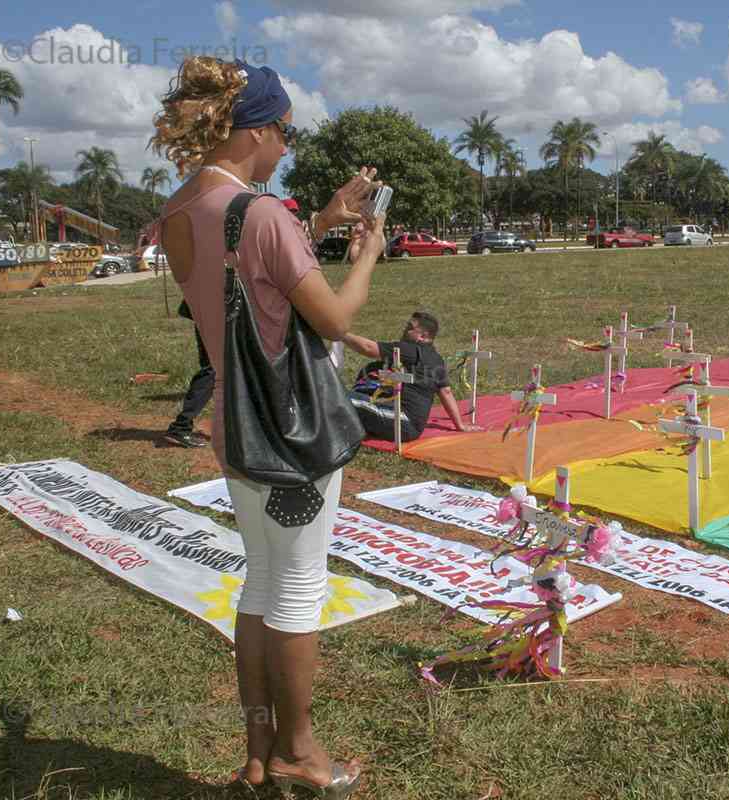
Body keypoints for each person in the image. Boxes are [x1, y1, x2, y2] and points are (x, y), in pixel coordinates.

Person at [150, 56, 386, 797]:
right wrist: (367, 254)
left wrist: (314, 224)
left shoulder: (184, 205)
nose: (286, 147)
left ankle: (258, 752)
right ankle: (299, 753)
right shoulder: (261, 214)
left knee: (260, 585)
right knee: (297, 591)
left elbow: (234, 282)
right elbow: (335, 318)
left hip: (236, 423)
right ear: (254, 129)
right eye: (283, 131)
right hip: (292, 431)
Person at [343, 311, 482, 440]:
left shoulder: (410, 350)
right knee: (371, 372)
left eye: (410, 327)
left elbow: (369, 348)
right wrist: (460, 425)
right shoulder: (436, 358)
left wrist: (339, 333)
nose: (405, 330)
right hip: (413, 428)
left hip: (401, 420)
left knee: (338, 397)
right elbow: (446, 392)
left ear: (423, 336)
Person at [161, 299, 214, 448]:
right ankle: (180, 427)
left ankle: (237, 426)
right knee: (213, 370)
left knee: (220, 369)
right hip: (212, 313)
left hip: (211, 312)